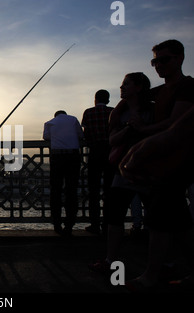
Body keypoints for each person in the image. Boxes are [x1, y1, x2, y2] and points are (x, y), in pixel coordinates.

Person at [120, 39, 194, 291]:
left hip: (180, 160)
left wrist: (144, 132)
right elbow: (133, 99)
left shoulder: (187, 86)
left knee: (159, 217)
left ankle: (150, 276)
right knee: (179, 220)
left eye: (165, 59)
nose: (158, 65)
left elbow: (176, 124)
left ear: (180, 58)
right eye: (155, 61)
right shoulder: (160, 91)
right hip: (165, 161)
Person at [88, 72, 153, 274]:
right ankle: (110, 259)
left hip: (148, 170)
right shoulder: (117, 113)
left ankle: (161, 263)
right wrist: (129, 128)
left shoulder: (154, 110)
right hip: (122, 169)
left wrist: (141, 128)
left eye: (126, 84)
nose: (121, 87)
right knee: (114, 215)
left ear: (139, 87)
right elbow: (113, 140)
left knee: (158, 218)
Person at [43, 110, 84, 236]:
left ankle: (57, 224)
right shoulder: (73, 119)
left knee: (56, 190)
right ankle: (69, 225)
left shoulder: (49, 123)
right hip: (73, 156)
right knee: (71, 190)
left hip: (57, 157)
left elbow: (46, 137)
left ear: (55, 115)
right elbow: (80, 135)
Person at [81, 89, 115, 235]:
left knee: (93, 191)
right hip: (111, 153)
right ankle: (108, 224)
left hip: (94, 153)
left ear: (95, 99)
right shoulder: (113, 112)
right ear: (107, 100)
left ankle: (94, 224)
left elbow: (85, 134)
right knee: (109, 191)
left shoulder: (88, 113)